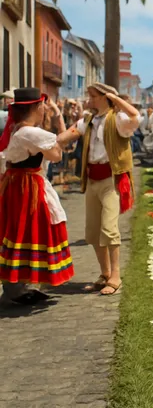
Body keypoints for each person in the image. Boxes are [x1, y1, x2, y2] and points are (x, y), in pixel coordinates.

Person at [57, 83, 140, 296]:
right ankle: (105, 273)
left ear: (104, 97)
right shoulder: (88, 120)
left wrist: (116, 99)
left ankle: (116, 276)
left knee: (109, 228)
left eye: (93, 96)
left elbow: (135, 116)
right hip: (93, 180)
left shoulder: (118, 119)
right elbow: (66, 136)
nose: (89, 99)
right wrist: (53, 127)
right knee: (93, 231)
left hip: (111, 180)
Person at [0, 88, 72, 305]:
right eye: (42, 106)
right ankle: (17, 287)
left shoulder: (18, 129)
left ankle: (18, 284)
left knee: (18, 231)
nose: (44, 109)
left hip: (18, 185)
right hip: (28, 187)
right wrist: (71, 129)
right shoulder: (30, 133)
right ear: (37, 107)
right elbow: (56, 155)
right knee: (30, 230)